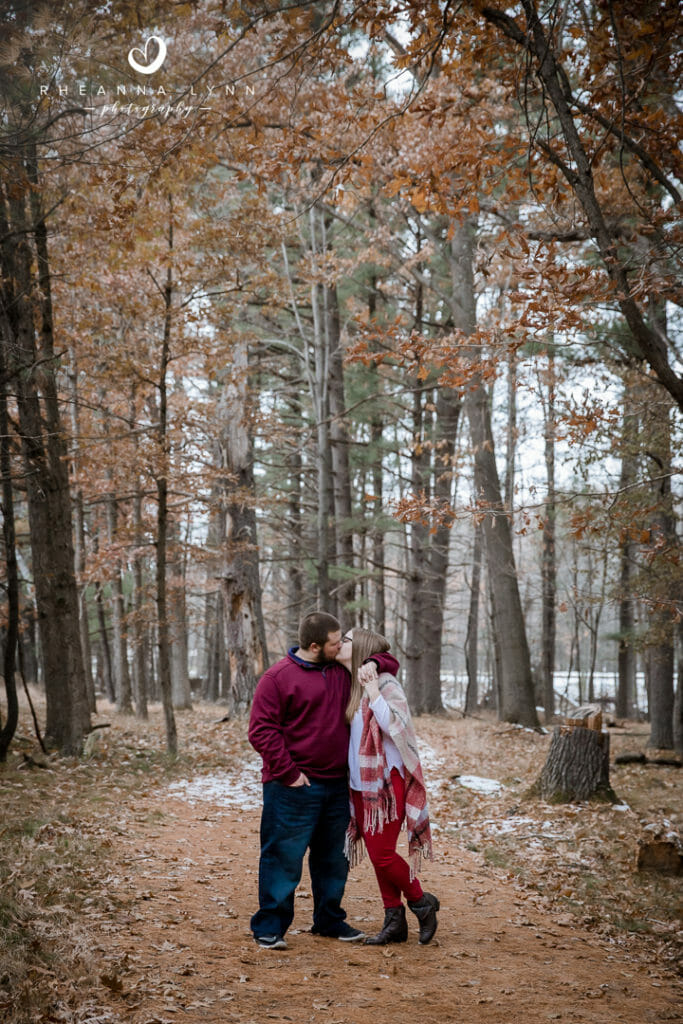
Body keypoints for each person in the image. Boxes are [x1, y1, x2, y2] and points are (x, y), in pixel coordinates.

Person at [248, 611, 396, 950]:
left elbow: (389, 659)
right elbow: (261, 731)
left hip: (336, 785)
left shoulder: (343, 671)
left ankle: (329, 920)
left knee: (333, 860)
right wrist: (290, 773)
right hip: (291, 785)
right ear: (314, 646)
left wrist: (373, 662)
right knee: (283, 857)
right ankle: (270, 926)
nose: (341, 645)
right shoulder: (277, 678)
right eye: (335, 642)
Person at [337, 627, 439, 946]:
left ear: (360, 647)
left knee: (382, 856)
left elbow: (395, 726)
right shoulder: (350, 683)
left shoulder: (385, 682)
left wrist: (373, 690)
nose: (340, 644)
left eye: (346, 640)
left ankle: (422, 902)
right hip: (359, 783)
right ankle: (394, 919)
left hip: (386, 782)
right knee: (377, 852)